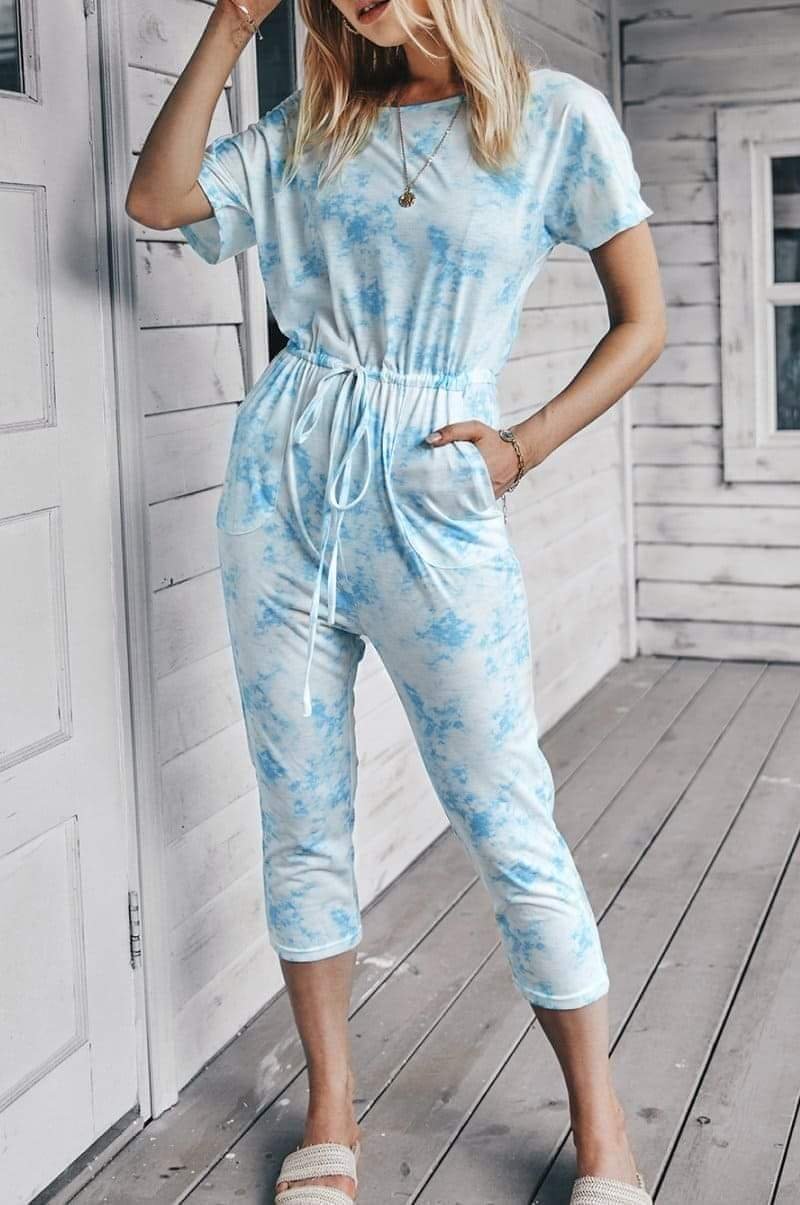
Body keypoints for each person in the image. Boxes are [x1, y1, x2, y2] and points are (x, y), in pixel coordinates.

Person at [125, 1, 666, 1202]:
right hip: (278, 492)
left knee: (504, 810)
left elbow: (642, 321)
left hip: (433, 492)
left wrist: (522, 446)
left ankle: (601, 1130)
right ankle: (331, 1108)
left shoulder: (554, 119)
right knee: (300, 810)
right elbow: (157, 201)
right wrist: (230, 24)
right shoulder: (308, 125)